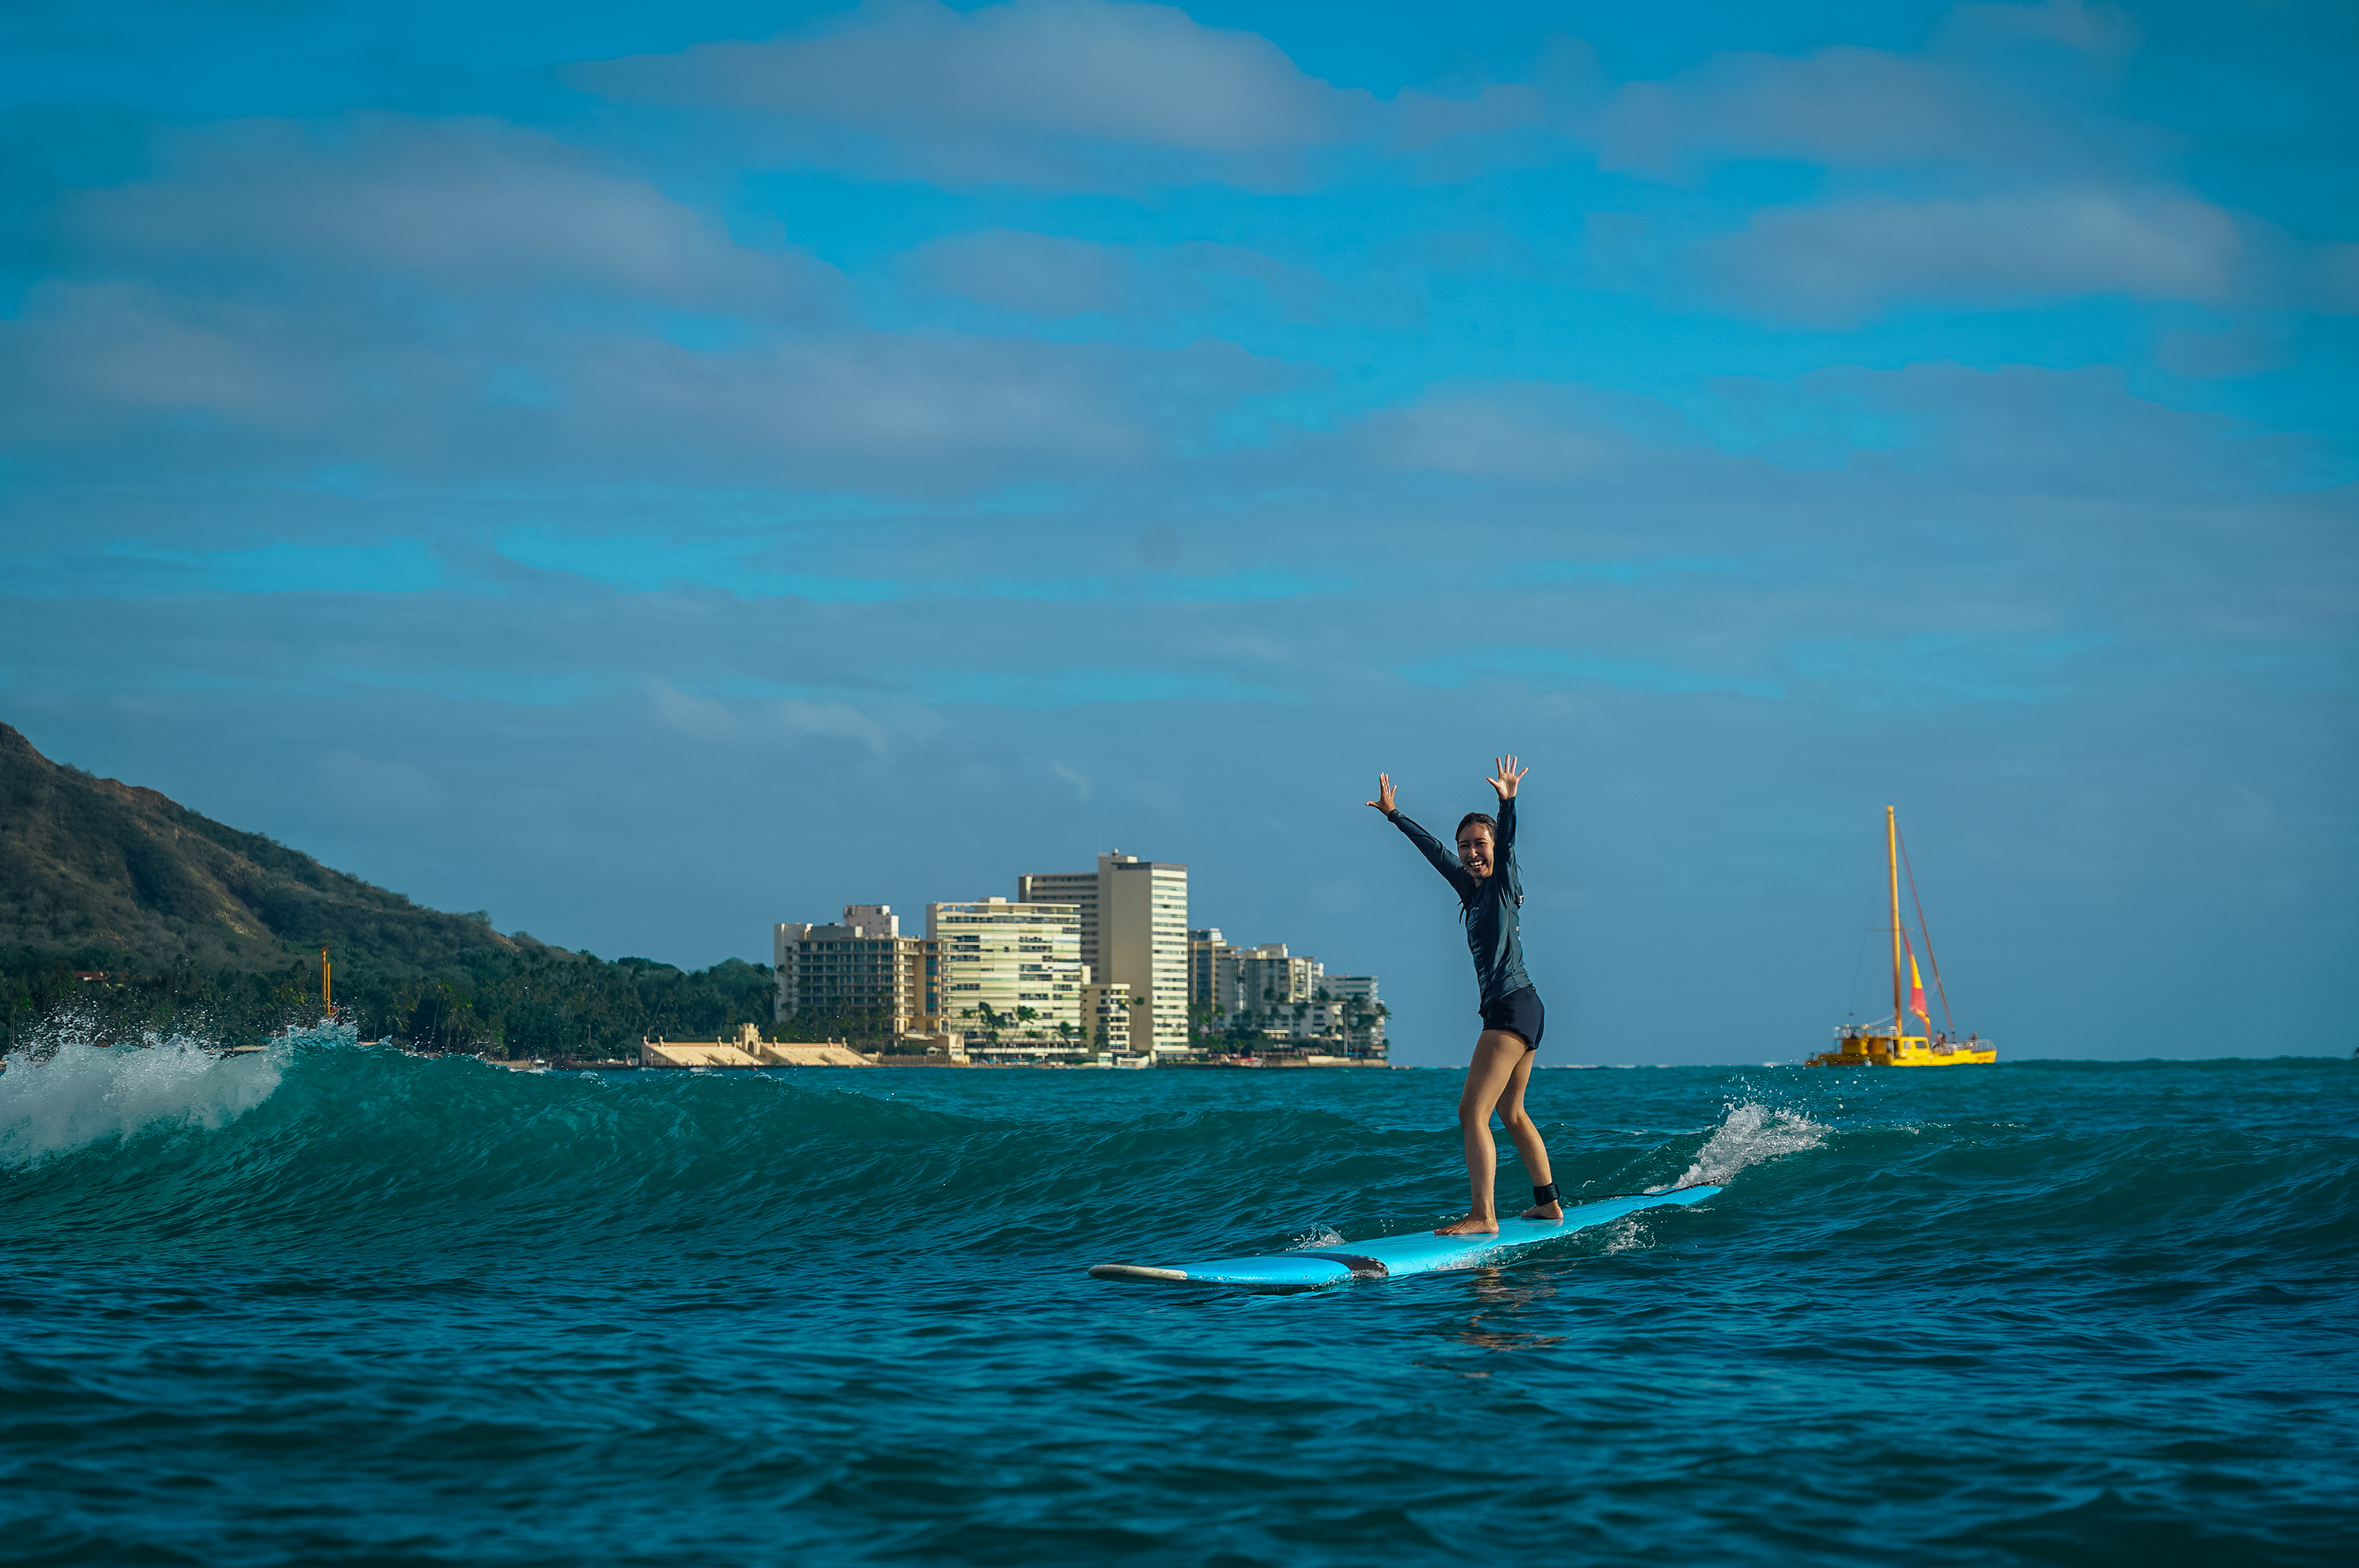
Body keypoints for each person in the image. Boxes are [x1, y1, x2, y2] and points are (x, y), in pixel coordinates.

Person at [1368, 754, 1561, 1236]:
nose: (1472, 853)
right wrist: (1395, 816)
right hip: (1524, 1006)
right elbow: (1433, 851)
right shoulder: (1470, 890)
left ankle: (1483, 1215)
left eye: (1480, 844)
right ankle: (1547, 1204)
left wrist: (1508, 802)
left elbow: (1509, 841)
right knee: (1510, 1112)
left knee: (1471, 1112)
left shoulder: (1500, 883)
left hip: (1510, 1007)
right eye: (1466, 846)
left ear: (1495, 846)